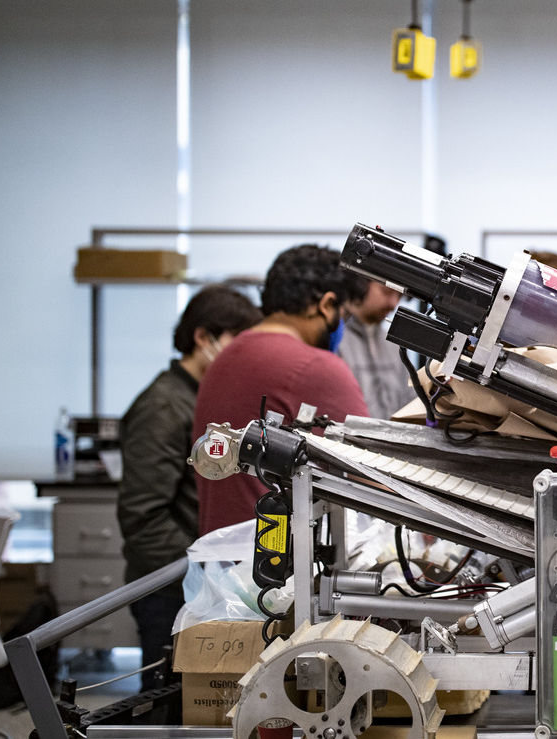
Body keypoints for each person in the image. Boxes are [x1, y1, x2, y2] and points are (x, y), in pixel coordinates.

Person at [116, 284, 261, 690]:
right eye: (236, 343)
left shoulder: (202, 400)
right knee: (164, 707)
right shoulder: (164, 406)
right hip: (168, 588)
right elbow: (143, 518)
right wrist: (203, 569)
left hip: (194, 583)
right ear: (203, 338)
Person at [194, 244, 370, 534]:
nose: (342, 327)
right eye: (344, 316)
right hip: (277, 564)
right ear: (326, 305)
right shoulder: (315, 365)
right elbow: (373, 471)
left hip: (225, 560)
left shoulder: (227, 355)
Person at [336, 273, 413, 420]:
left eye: (399, 296)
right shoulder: (333, 340)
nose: (393, 303)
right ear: (360, 285)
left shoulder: (395, 345)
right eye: (387, 292)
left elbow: (409, 402)